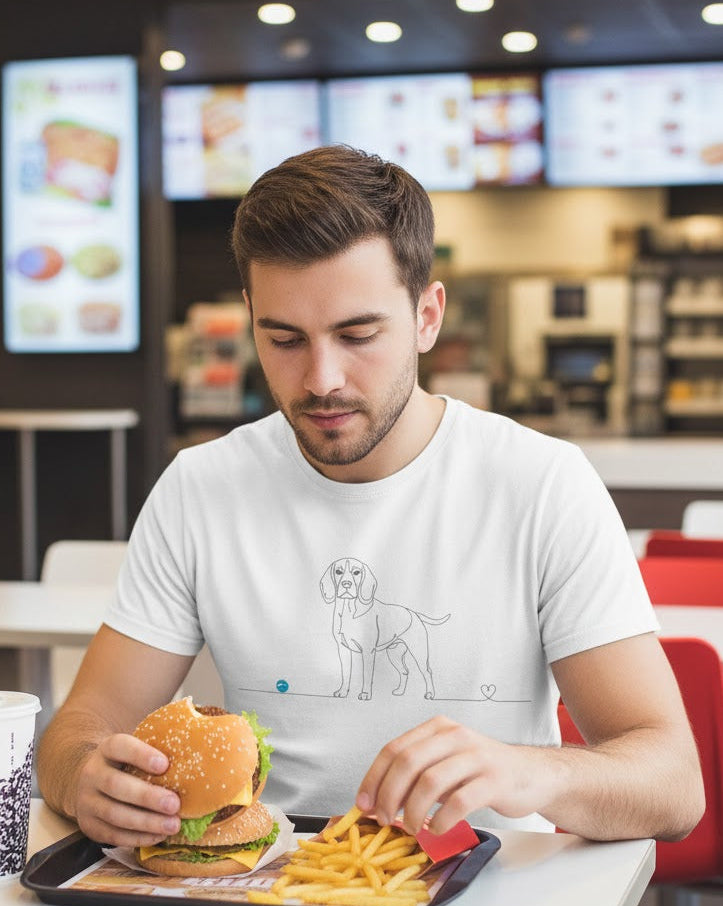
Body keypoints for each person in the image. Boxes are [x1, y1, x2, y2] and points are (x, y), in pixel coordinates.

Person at [37, 145, 703, 848]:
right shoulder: (200, 487)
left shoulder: (542, 484)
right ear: (249, 316)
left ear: (426, 315)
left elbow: (671, 784)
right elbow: (79, 728)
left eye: (357, 334)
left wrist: (530, 772)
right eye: (284, 338)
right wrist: (87, 775)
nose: (321, 378)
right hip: (266, 896)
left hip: (491, 896)